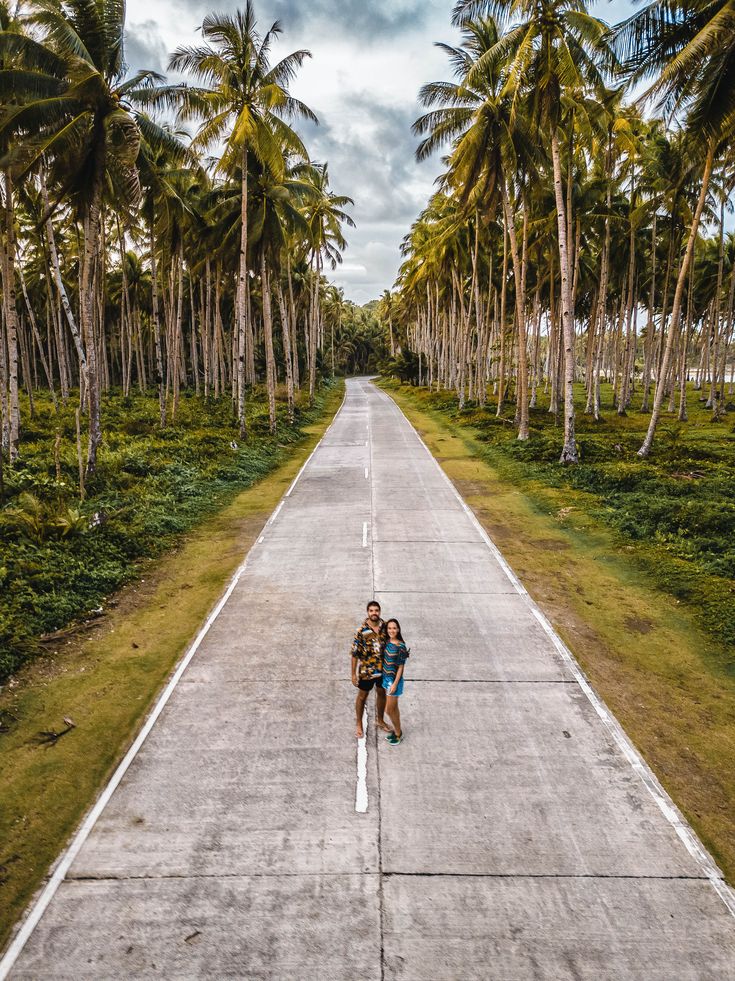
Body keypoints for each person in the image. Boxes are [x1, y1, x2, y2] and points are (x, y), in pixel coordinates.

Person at [351, 600, 391, 739]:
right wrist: (353, 674)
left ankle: (380, 720)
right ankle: (358, 724)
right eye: (371, 610)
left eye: (376, 610)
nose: (374, 613)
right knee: (362, 697)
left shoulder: (386, 627)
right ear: (368, 612)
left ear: (379, 611)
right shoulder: (362, 631)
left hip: (383, 669)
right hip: (367, 670)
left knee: (381, 692)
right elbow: (355, 654)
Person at [382, 619, 409, 745]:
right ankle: (397, 731)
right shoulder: (387, 642)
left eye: (394, 628)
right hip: (386, 679)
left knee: (388, 710)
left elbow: (401, 667)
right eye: (389, 628)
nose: (392, 630)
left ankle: (398, 733)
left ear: (398, 630)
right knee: (393, 708)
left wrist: (394, 684)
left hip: (394, 682)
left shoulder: (401, 646)